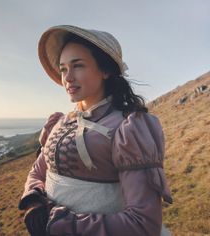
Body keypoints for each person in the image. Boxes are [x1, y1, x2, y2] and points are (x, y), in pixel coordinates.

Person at [18, 25, 173, 236]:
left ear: (106, 70)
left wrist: (59, 224)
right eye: (63, 69)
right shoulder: (60, 122)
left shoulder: (128, 128)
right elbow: (38, 170)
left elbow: (143, 223)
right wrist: (34, 199)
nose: (68, 77)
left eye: (78, 66)